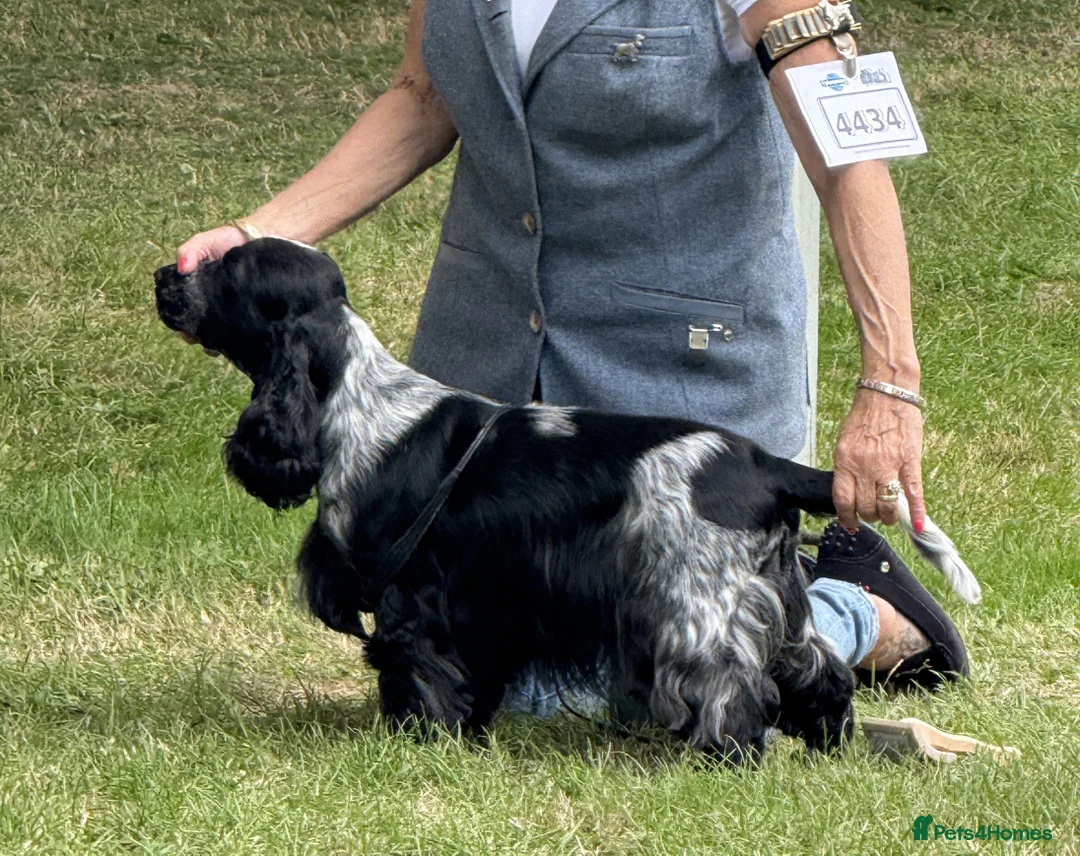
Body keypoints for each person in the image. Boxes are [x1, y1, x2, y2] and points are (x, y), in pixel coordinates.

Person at [176, 0, 969, 707]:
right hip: (486, 413)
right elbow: (423, 98)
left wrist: (890, 381)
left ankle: (851, 607)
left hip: (670, 406)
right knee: (493, 685)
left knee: (675, 688)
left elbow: (848, 159)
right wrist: (261, 234)